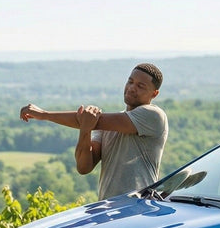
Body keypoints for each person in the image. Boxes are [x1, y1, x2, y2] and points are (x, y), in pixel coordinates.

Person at [19, 63, 168, 200]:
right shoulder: (107, 127)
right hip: (108, 208)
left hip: (140, 207)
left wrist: (44, 114)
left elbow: (95, 121)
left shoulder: (153, 115)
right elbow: (84, 167)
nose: (132, 88)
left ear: (154, 94)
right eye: (130, 82)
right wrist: (85, 129)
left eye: (141, 86)